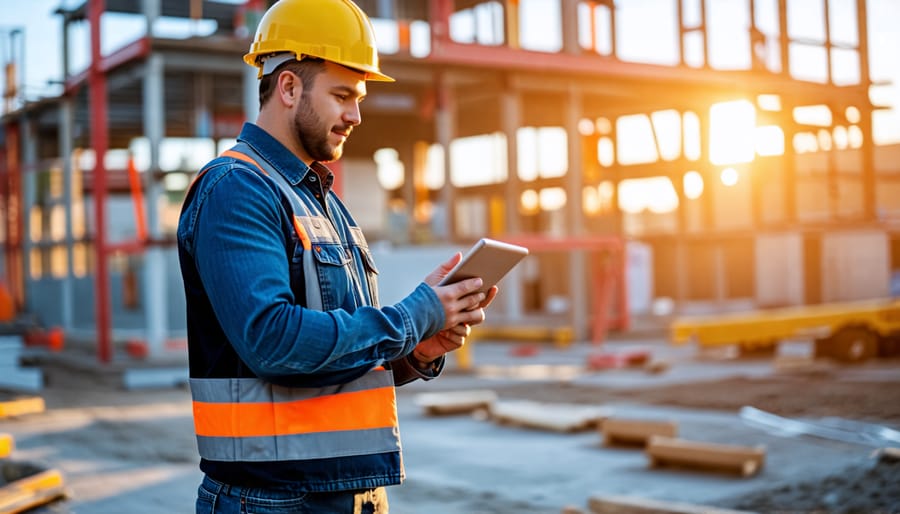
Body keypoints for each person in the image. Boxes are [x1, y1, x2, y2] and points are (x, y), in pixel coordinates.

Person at [176, 0, 497, 512]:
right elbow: (275, 342)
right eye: (343, 95)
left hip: (349, 496)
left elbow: (332, 363)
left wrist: (416, 349)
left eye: (360, 97)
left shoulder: (322, 201)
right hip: (271, 501)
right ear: (288, 87)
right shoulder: (236, 189)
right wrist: (414, 314)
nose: (356, 115)